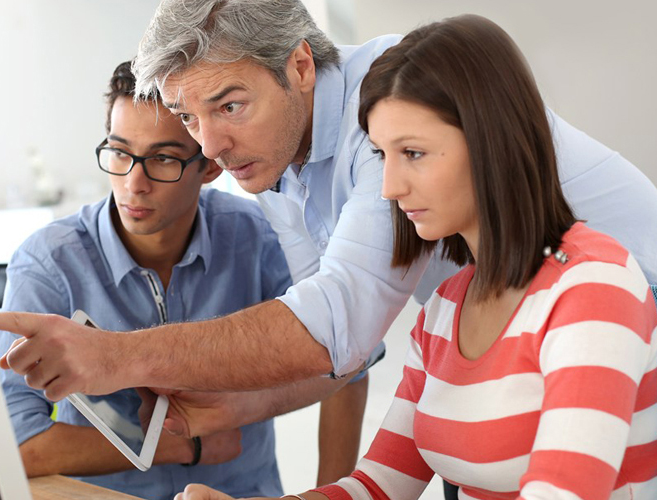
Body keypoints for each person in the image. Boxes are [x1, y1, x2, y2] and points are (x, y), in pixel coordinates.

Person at [0, 0, 657, 455]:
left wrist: (119, 356)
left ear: (300, 66)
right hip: (513, 354)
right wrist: (240, 407)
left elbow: (336, 321)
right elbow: (344, 348)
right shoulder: (279, 157)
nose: (210, 147)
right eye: (190, 118)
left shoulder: (389, 105)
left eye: (230, 105)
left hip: (624, 334)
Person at [173, 14, 657, 500]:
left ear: (488, 140)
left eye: (413, 153)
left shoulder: (595, 288)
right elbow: (377, 486)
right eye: (382, 154)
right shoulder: (444, 310)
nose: (388, 188)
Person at [0, 61, 321, 499]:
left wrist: (330, 491)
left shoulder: (260, 238)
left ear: (210, 166)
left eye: (162, 158)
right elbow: (12, 442)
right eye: (120, 152)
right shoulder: (49, 261)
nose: (134, 183)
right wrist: (186, 447)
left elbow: (349, 360)